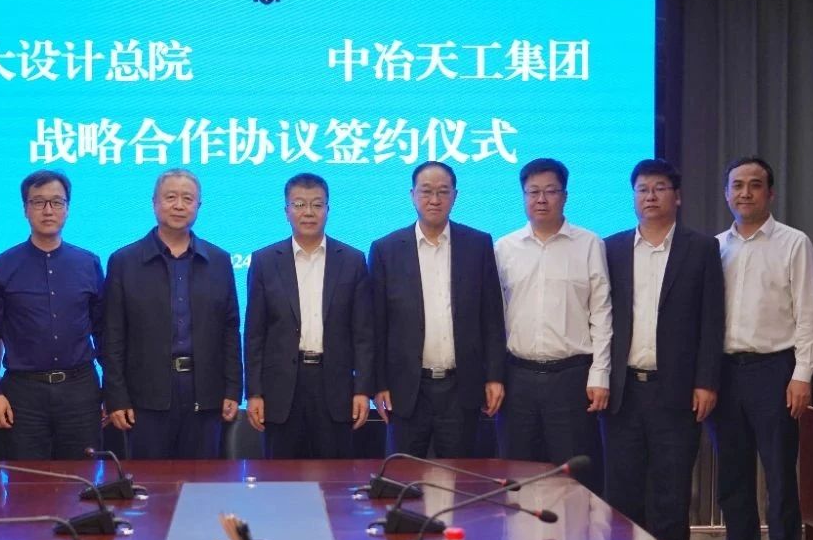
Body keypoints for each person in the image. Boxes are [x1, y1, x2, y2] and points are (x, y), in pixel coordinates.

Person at [712, 156, 813, 540]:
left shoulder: (794, 243)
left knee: (779, 479)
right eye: (737, 185)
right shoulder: (715, 247)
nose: (745, 192)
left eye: (755, 185)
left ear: (770, 193)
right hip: (725, 373)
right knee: (733, 480)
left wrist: (802, 374)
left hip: (775, 372)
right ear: (726, 193)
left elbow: (809, 315)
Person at [602, 159, 724, 540]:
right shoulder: (612, 248)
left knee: (671, 493)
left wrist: (706, 381)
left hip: (677, 390)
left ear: (677, 196)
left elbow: (712, 319)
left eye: (659, 188)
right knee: (623, 492)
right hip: (623, 392)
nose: (650, 196)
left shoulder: (701, 248)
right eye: (642, 189)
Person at [370, 161, 506, 457]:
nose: (435, 199)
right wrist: (378, 384)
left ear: (455, 196)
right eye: (426, 191)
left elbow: (492, 318)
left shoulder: (478, 244)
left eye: (443, 191)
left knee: (459, 474)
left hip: (461, 387)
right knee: (403, 477)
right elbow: (377, 326)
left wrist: (494, 376)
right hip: (407, 389)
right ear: (412, 195)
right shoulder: (385, 249)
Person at [103, 169, 241, 459]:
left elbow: (229, 330)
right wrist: (116, 396)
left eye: (187, 199)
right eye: (170, 197)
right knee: (149, 481)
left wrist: (232, 389)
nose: (179, 205)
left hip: (205, 393)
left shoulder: (218, 261)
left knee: (202, 479)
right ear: (154, 203)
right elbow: (112, 335)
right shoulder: (124, 261)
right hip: (145, 396)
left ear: (198, 206)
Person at [494, 157, 612, 493]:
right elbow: (494, 318)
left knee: (575, 481)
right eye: (533, 192)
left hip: (571, 379)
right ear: (523, 196)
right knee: (517, 478)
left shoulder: (589, 244)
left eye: (550, 191)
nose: (541, 199)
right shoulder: (504, 248)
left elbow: (601, 312)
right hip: (518, 380)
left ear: (565, 196)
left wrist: (600, 374)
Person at [0, 170, 104, 460]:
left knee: (81, 477)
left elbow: (103, 331)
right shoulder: (2, 266)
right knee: (27, 481)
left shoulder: (88, 263)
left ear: (67, 208)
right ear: (25, 209)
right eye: (38, 202)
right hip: (23, 393)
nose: (48, 210)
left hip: (80, 391)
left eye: (57, 202)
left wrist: (112, 390)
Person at [244, 173, 373, 459]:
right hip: (281, 390)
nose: (308, 212)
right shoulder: (265, 261)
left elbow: (363, 334)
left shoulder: (352, 260)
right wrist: (253, 392)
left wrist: (363, 389)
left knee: (335, 476)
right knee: (281, 476)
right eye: (299, 204)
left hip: (335, 386)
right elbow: (254, 334)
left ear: (328, 209)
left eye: (317, 204)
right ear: (286, 210)